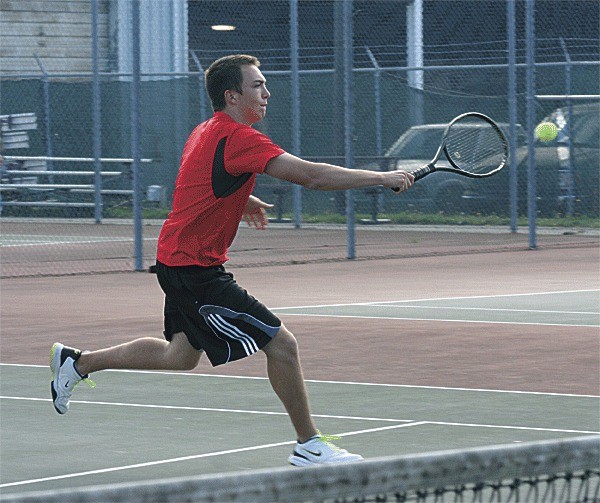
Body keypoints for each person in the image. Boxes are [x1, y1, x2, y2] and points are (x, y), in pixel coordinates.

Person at [50, 54, 414, 466]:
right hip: (194, 269)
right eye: (257, 85)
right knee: (281, 345)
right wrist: (381, 178)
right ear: (232, 95)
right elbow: (311, 176)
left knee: (180, 356)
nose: (266, 92)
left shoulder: (207, 131)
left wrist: (242, 198)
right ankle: (309, 445)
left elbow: (198, 182)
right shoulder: (240, 138)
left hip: (178, 261)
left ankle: (77, 363)